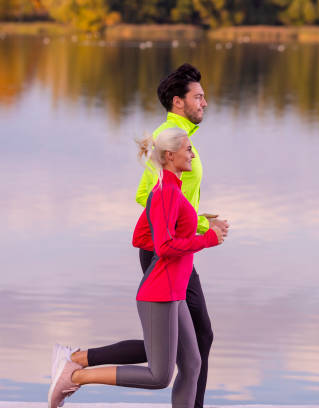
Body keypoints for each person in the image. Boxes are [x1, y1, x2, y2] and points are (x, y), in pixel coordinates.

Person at [59, 63, 228, 408]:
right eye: (198, 97)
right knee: (187, 342)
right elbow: (149, 196)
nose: (204, 103)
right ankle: (77, 364)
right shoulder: (170, 138)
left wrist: (194, 217)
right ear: (178, 102)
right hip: (163, 252)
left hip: (177, 249)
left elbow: (168, 199)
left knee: (189, 343)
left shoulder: (182, 141)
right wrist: (199, 227)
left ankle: (79, 359)